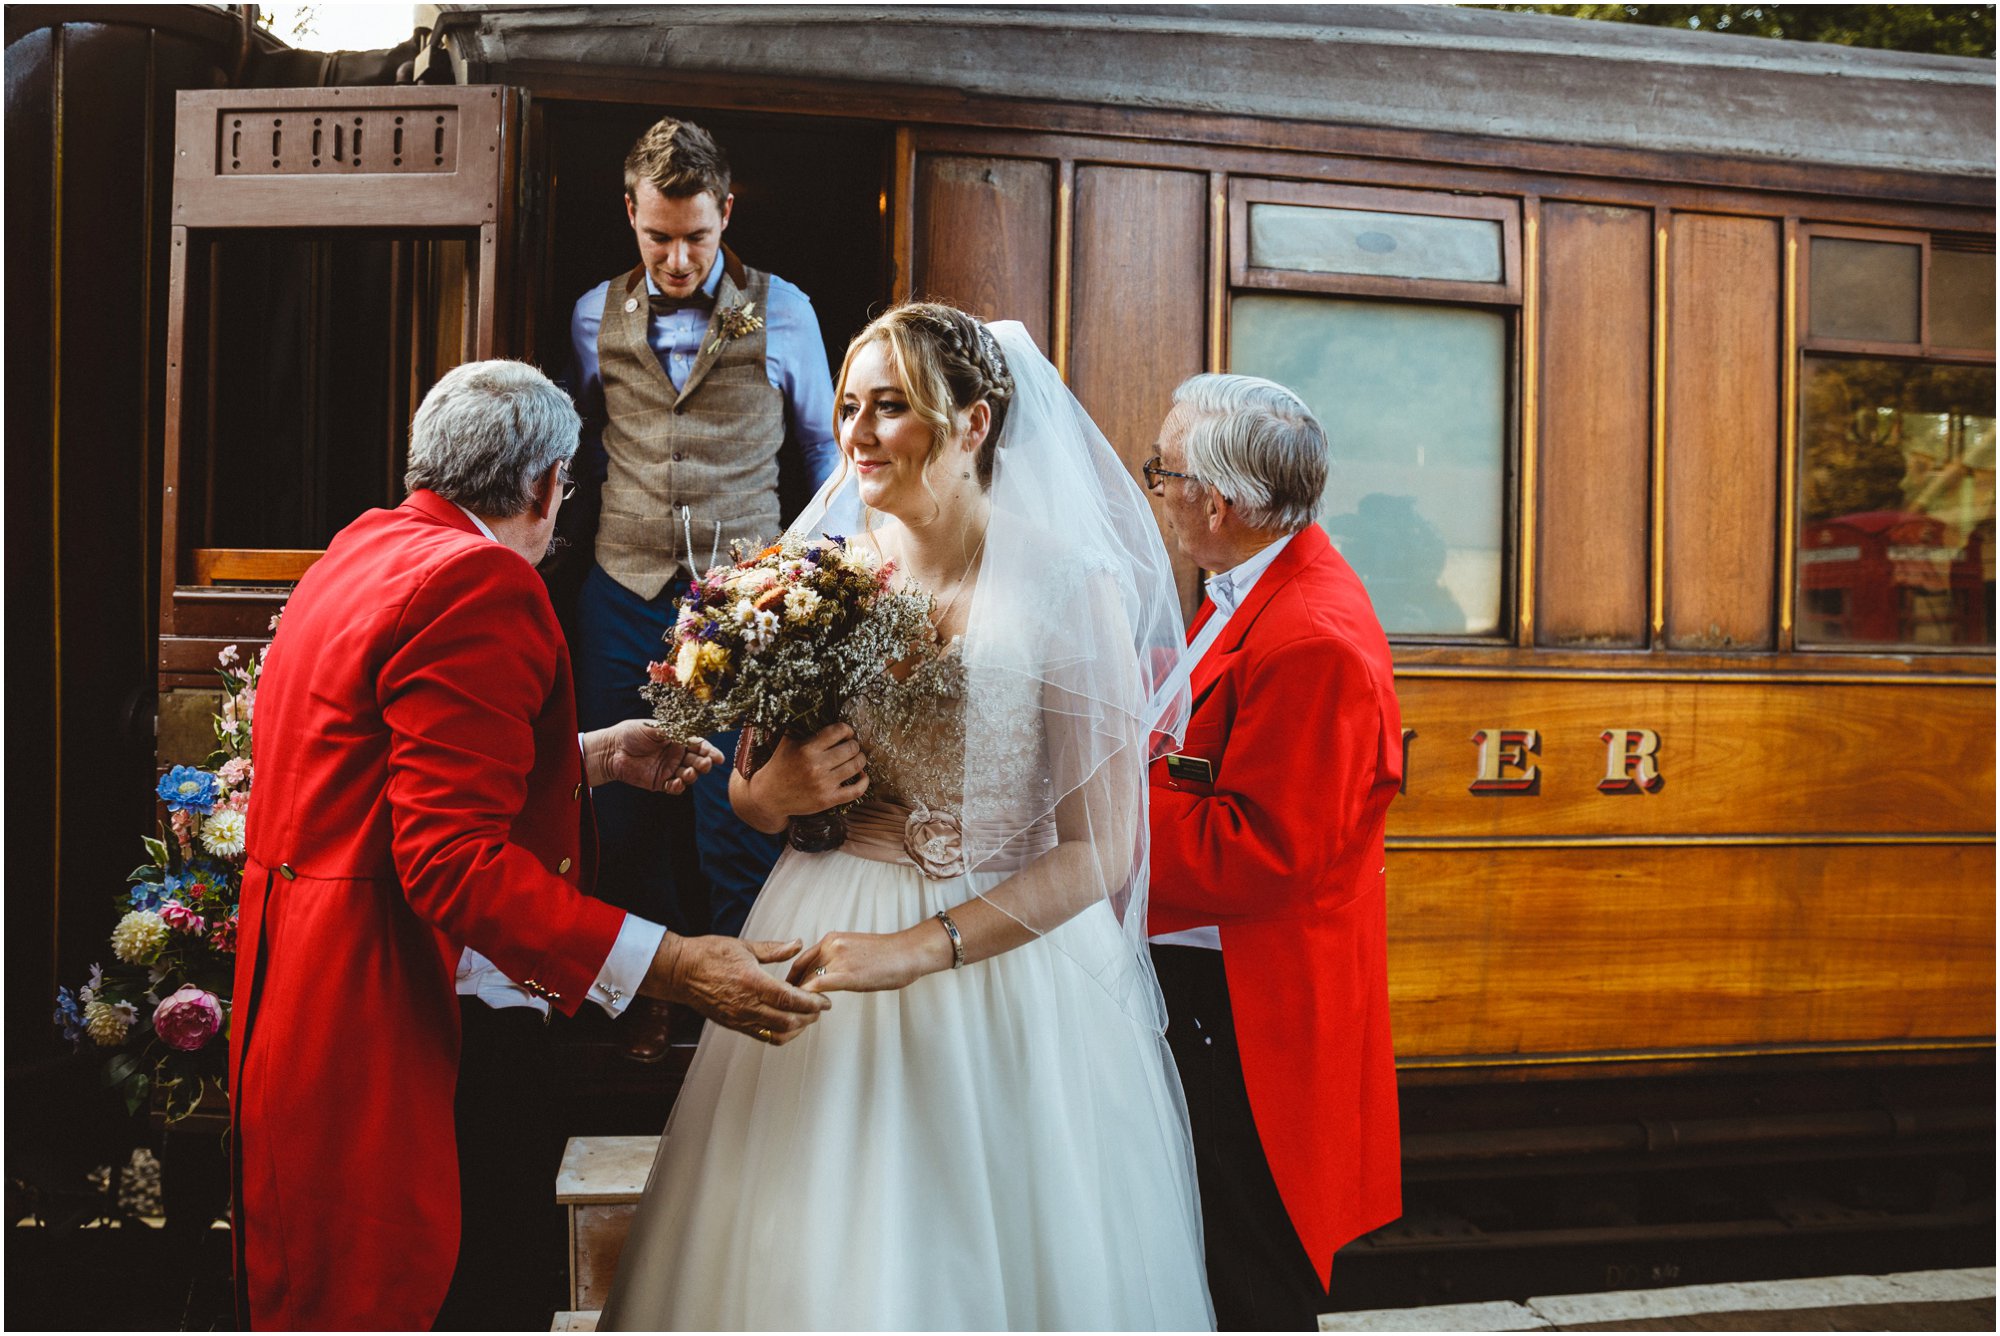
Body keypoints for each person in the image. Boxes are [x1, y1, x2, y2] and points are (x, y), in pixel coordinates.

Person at [599, 306, 1215, 1330]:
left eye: (892, 408)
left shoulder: (1068, 587)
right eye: (848, 406)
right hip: (818, 923)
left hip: (1000, 965)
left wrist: (914, 951)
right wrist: (770, 794)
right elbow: (748, 789)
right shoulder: (816, 572)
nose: (857, 432)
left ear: (972, 423)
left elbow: (1100, 850)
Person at [231, 360, 830, 1332]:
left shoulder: (361, 548)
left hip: (306, 993)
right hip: (415, 1018)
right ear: (550, 485)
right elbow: (448, 858)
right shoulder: (482, 583)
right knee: (471, 1293)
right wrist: (673, 962)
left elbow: (388, 789)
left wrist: (590, 757)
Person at [565, 116, 839, 1061]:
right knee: (617, 804)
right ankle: (639, 1001)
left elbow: (821, 452)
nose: (678, 259)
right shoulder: (590, 314)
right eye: (658, 238)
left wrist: (803, 580)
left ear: (727, 213)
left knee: (737, 802)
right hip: (621, 588)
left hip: (747, 606)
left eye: (696, 237)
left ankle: (749, 993)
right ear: (630, 216)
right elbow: (583, 445)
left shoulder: (786, 310)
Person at [1144, 374, 1404, 1331]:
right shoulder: (1267, 588)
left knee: (1251, 1268)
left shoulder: (1312, 637)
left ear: (1219, 502)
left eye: (1162, 472)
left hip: (1255, 1011)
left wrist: (1091, 808)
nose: (1156, 490)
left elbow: (1257, 851)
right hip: (1230, 988)